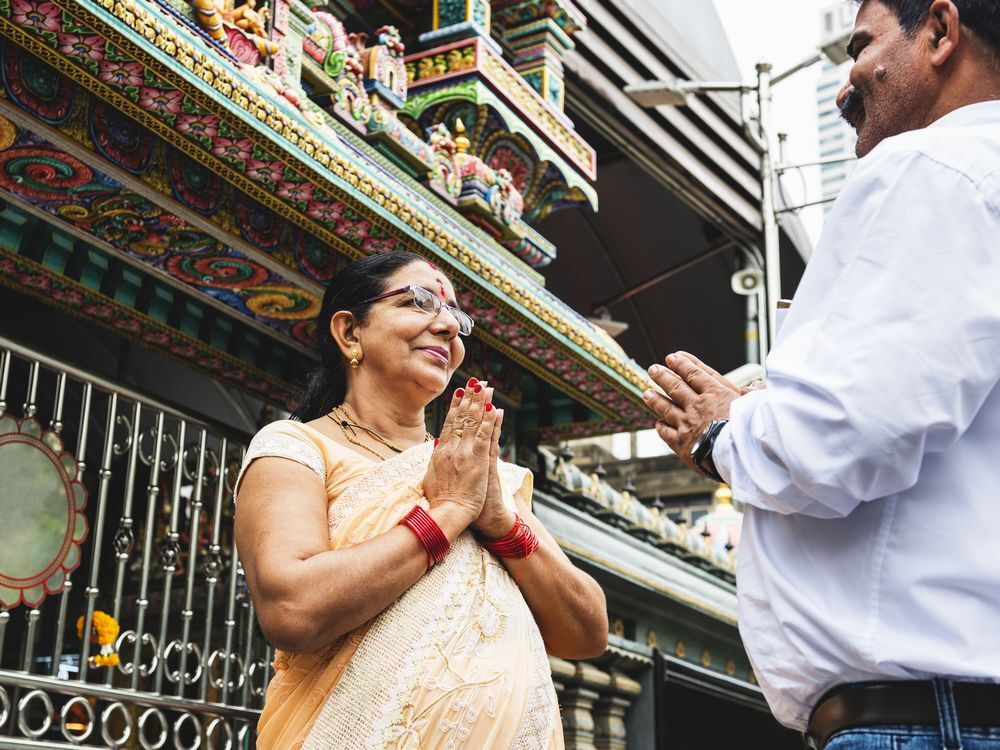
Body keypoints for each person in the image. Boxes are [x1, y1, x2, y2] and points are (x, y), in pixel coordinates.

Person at [642, 1, 1000, 748]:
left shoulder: (930, 169)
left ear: (940, 31)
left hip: (927, 718)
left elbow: (845, 435)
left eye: (863, 45)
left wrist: (725, 429)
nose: (848, 82)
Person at [234, 251, 608, 749]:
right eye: (420, 302)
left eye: (456, 316)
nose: (449, 326)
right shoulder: (296, 447)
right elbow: (292, 609)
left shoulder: (478, 473)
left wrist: (501, 522)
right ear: (350, 333)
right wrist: (447, 514)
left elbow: (586, 633)